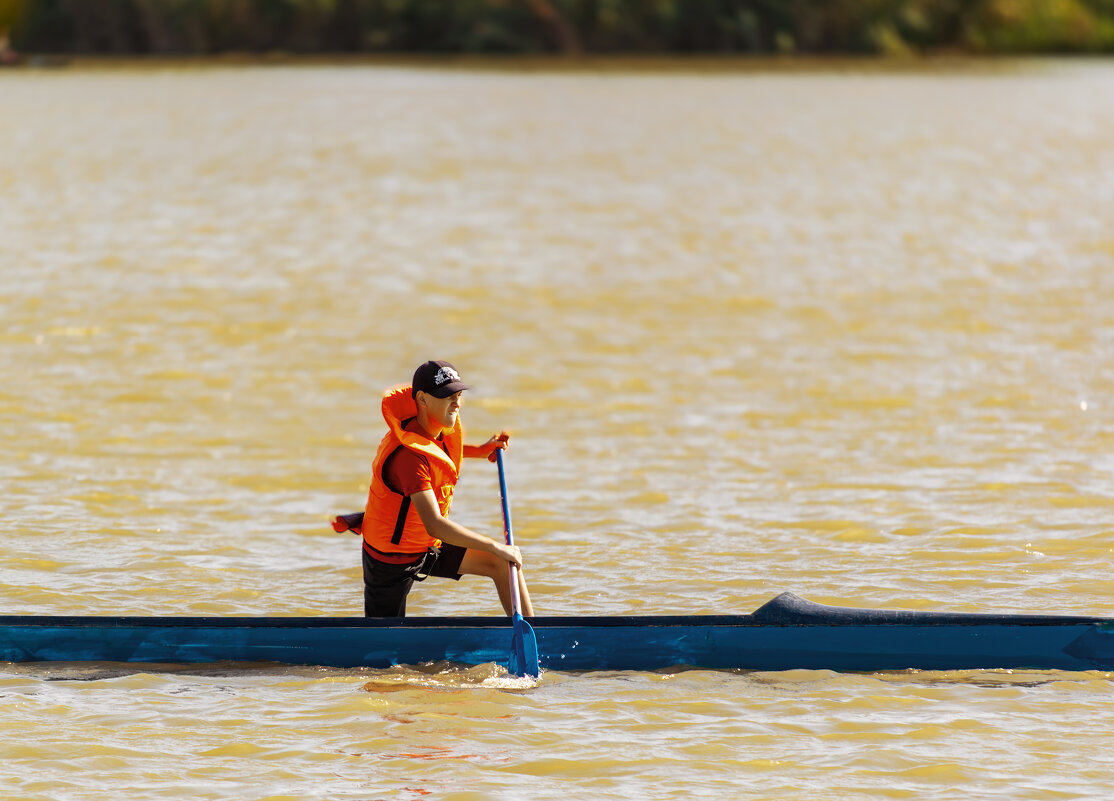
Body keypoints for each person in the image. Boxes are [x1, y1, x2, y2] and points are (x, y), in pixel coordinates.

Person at [361, 360, 535, 618]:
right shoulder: (408, 459)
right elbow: (435, 524)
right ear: (422, 399)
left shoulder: (433, 430)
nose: (456, 403)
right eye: (447, 396)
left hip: (424, 545)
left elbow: (437, 454)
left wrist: (480, 450)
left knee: (503, 563)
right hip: (390, 560)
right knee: (383, 640)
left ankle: (535, 634)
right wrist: (493, 545)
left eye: (458, 395)